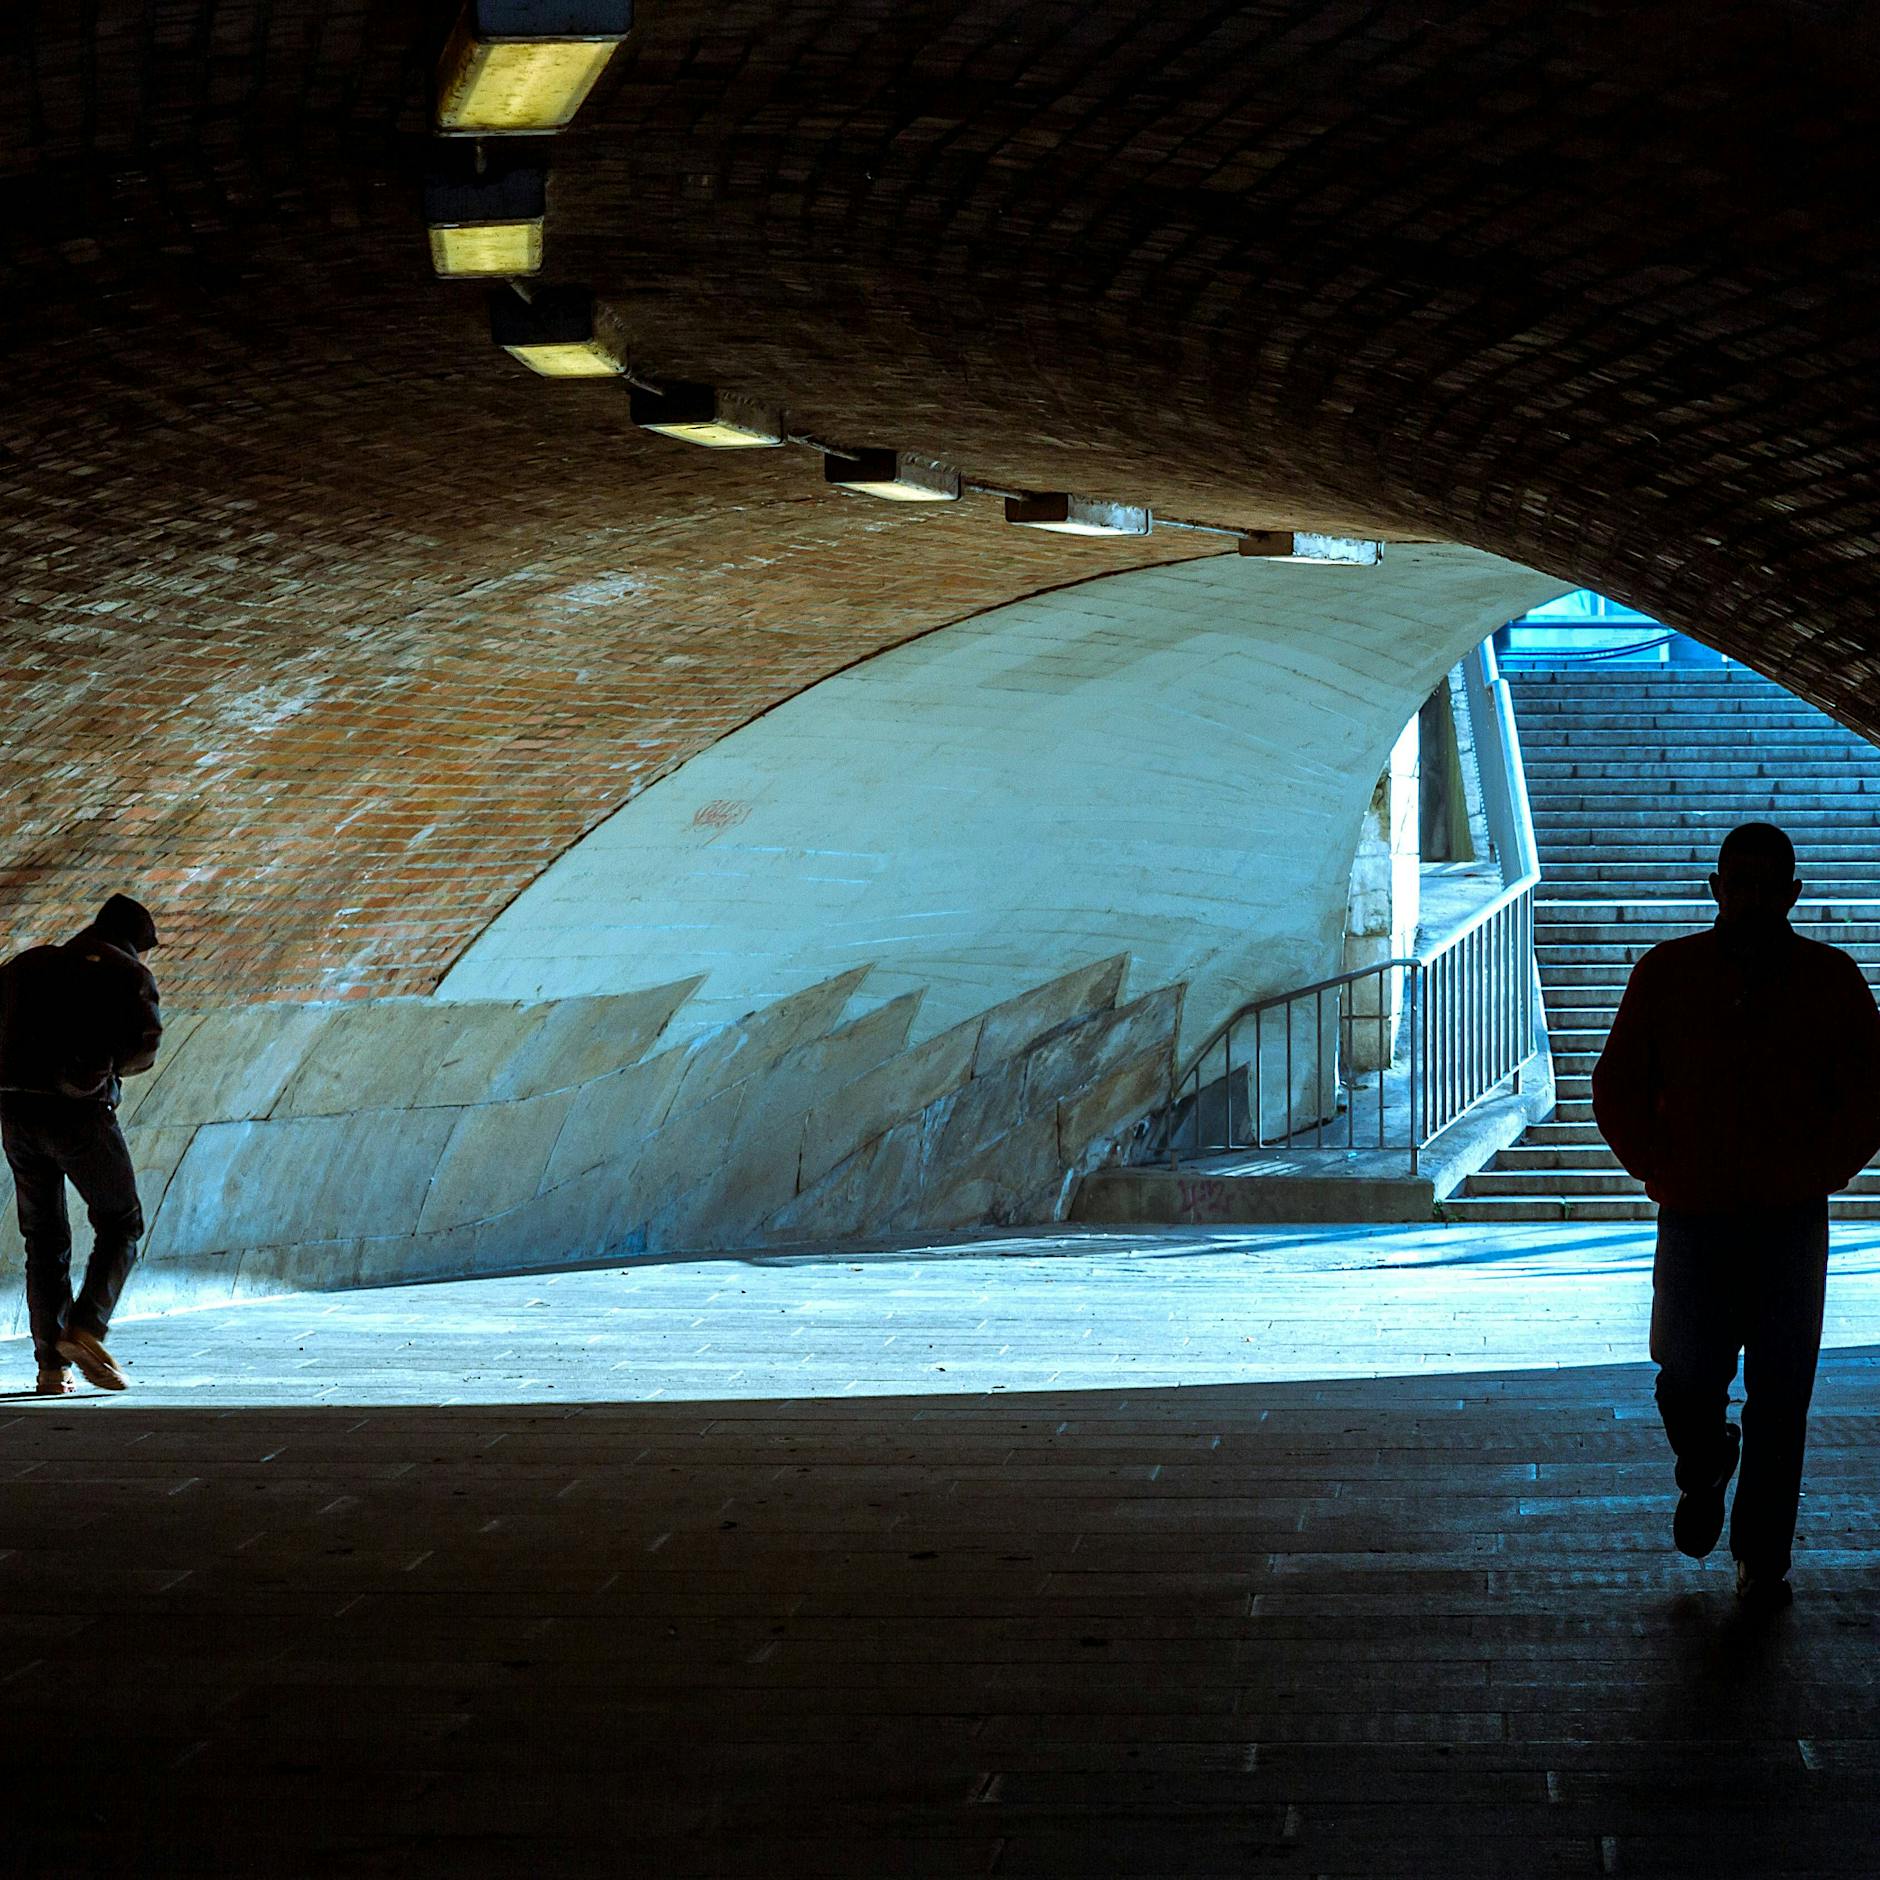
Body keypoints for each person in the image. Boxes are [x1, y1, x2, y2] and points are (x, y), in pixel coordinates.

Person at [1593, 821, 1880, 1613]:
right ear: (1717, 889)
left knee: (1781, 1396)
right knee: (1685, 1377)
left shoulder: (1827, 980)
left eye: (1764, 885)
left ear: (1792, 894)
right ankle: (1707, 1459)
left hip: (1784, 1219)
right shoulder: (1669, 973)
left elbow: (1870, 1094)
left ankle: (1762, 1557)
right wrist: (1660, 1168)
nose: (1750, 898)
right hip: (1703, 1215)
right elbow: (1615, 1086)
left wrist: (1817, 1172)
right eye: (1739, 884)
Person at [0, 894, 163, 1394]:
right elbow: (143, 1047)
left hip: (15, 1113)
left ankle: (52, 1369)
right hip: (80, 1117)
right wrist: (103, 1072)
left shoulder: (28, 964)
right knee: (121, 1222)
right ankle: (86, 1328)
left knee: (43, 1239)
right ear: (136, 942)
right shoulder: (127, 974)